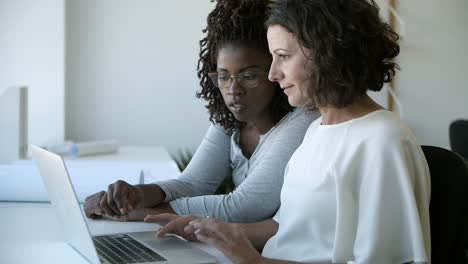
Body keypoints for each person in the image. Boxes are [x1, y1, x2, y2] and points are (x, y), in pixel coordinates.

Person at [145, 0, 432, 263]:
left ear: (327, 53)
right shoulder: (316, 130)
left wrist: (255, 262)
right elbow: (286, 228)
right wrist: (211, 230)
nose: (272, 74)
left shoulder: (383, 140)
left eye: (283, 56)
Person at [83, 0, 318, 223]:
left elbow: (245, 207)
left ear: (276, 70)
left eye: (249, 76)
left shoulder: (303, 119)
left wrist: (135, 213)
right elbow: (193, 183)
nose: (233, 90)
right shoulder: (231, 119)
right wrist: (135, 195)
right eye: (224, 77)